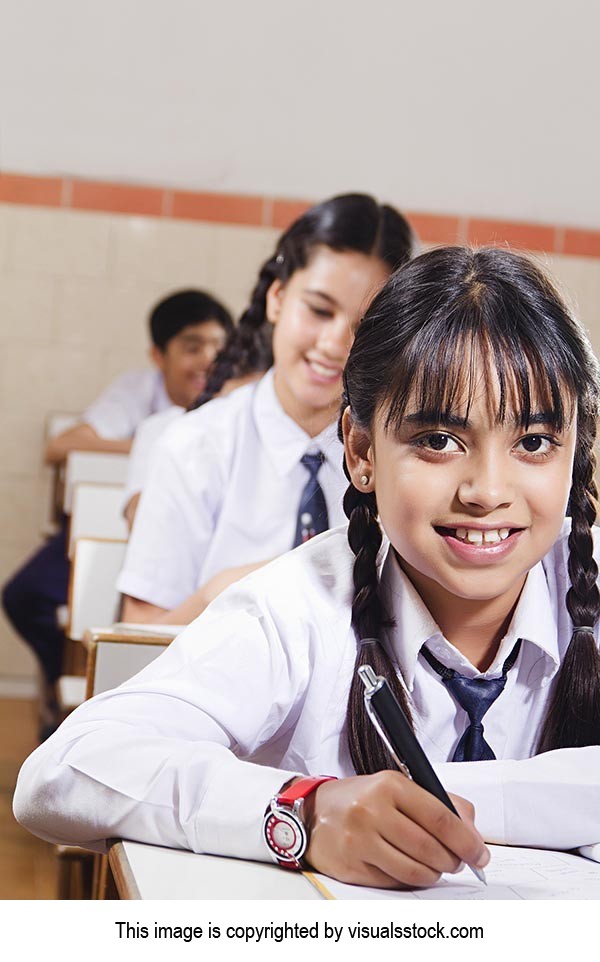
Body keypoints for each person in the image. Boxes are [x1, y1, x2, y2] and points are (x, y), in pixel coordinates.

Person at [14, 246, 600, 889]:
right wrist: (303, 808)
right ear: (360, 449)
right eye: (438, 440)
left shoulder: (584, 584)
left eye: (535, 443)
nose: (488, 490)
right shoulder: (297, 603)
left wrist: (468, 799)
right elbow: (64, 772)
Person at [117, 193, 417, 624]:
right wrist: (216, 597)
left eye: (363, 326)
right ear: (277, 297)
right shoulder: (194, 447)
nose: (334, 345)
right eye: (318, 309)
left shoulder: (406, 457)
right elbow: (136, 645)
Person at [2, 289, 233, 737]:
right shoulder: (147, 410)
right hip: (112, 536)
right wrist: (162, 443)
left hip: (188, 559)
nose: (208, 360)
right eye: (192, 347)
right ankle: (65, 686)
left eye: (218, 348)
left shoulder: (233, 416)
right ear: (158, 355)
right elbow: (62, 445)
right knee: (25, 594)